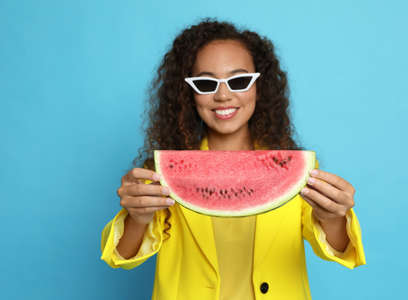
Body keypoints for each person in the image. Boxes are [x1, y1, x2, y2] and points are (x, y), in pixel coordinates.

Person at [100, 18, 366, 300]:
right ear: (188, 93)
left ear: (258, 88)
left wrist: (333, 217)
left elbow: (337, 249)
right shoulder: (162, 174)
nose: (223, 95)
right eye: (206, 83)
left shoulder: (294, 170)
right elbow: (123, 255)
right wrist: (138, 216)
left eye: (239, 80)